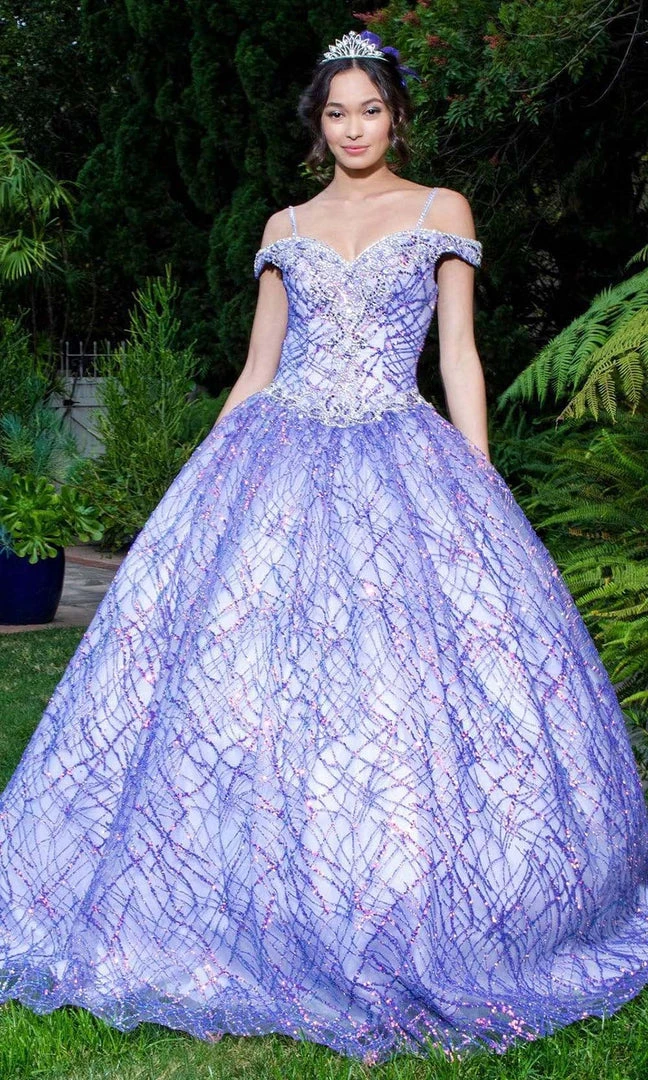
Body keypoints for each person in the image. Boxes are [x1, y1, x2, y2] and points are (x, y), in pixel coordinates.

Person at [1, 28, 648, 1068]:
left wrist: (479, 480)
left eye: (370, 110)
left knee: (397, 674)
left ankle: (396, 884)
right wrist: (195, 485)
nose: (354, 127)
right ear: (319, 123)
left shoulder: (441, 212)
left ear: (396, 116)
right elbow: (257, 368)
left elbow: (459, 355)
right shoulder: (285, 226)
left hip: (402, 450)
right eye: (337, 112)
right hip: (276, 454)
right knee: (246, 673)